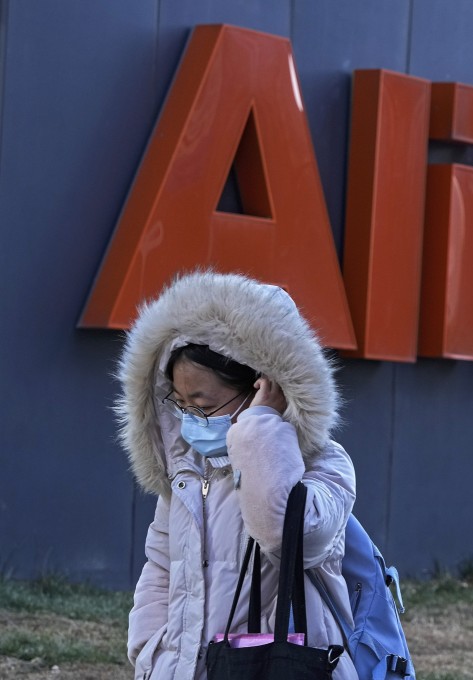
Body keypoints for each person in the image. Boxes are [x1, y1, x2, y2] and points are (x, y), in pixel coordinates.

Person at [121, 270, 358, 680]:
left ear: (264, 385)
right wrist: (150, 652)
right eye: (180, 405)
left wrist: (259, 429)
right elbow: (160, 568)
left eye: (204, 404)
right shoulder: (188, 474)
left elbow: (288, 537)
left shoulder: (324, 465)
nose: (191, 420)